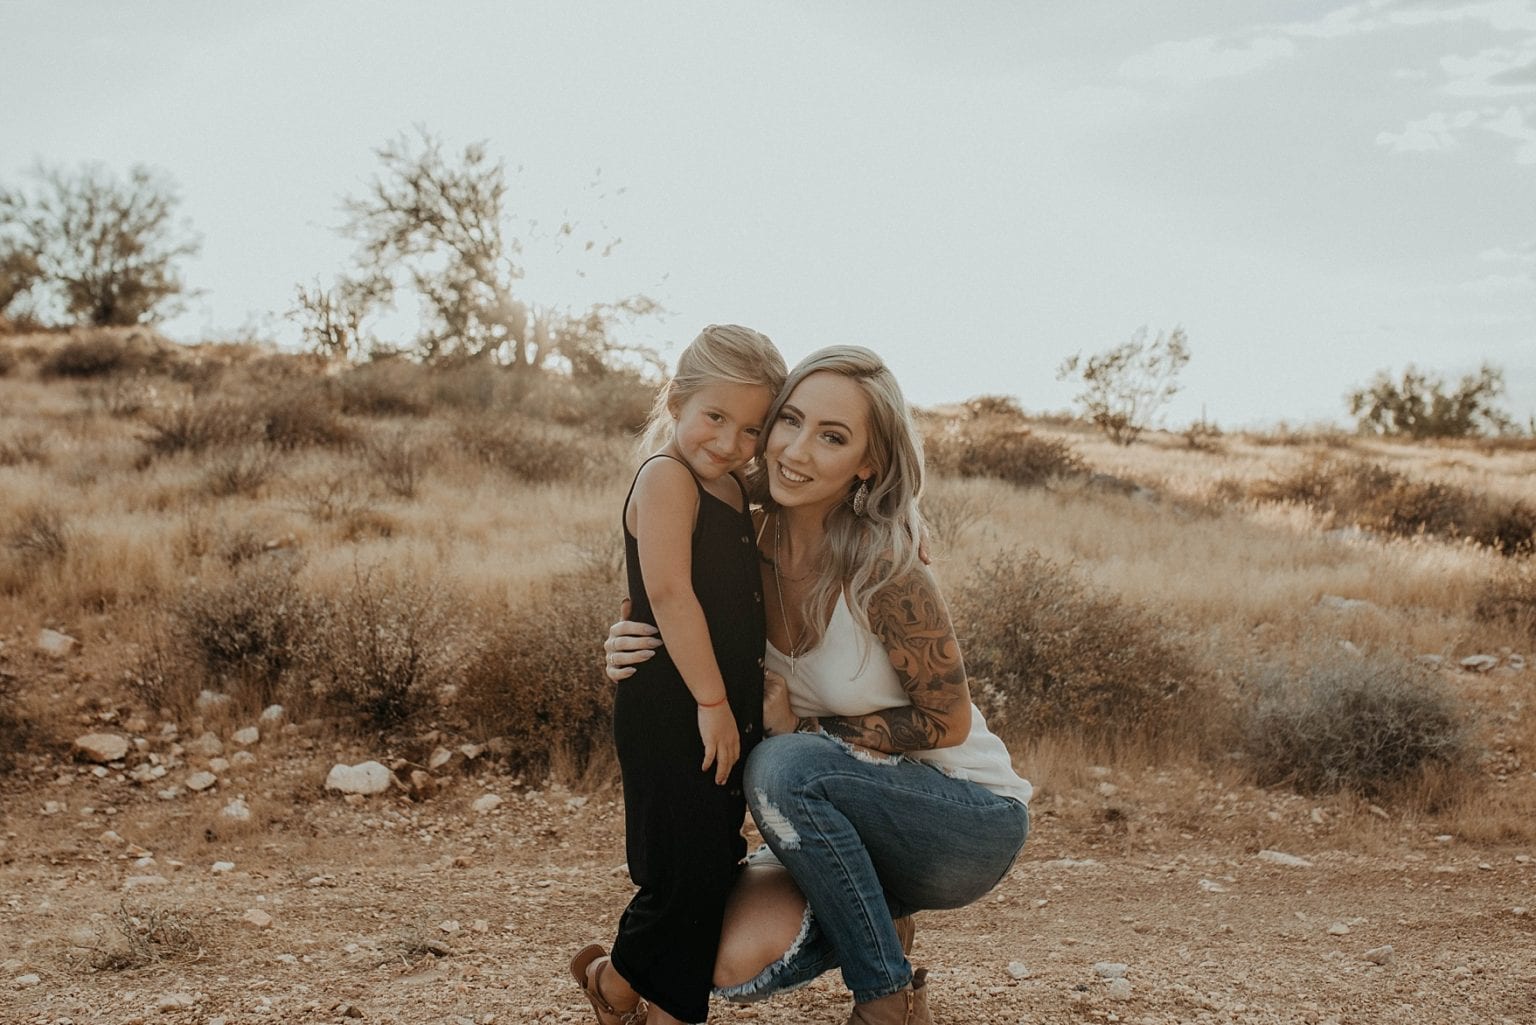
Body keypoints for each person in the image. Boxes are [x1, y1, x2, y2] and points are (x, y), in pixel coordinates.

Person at [602, 346, 1032, 1025]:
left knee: (781, 763)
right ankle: (879, 913)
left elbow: (946, 722)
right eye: (789, 421)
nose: (796, 450)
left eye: (832, 436)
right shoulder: (742, 545)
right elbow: (671, 591)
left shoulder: (885, 565)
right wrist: (631, 640)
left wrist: (804, 734)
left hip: (964, 821)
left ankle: (883, 996)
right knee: (720, 958)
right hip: (841, 817)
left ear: (868, 462)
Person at [571, 325, 787, 1025]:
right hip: (678, 706)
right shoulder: (667, 476)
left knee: (711, 859)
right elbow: (667, 594)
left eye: (751, 427)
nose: (729, 441)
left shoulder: (729, 483)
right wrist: (714, 699)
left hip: (713, 710)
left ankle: (616, 982)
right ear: (675, 400)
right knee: (682, 865)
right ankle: (668, 1009)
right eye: (715, 417)